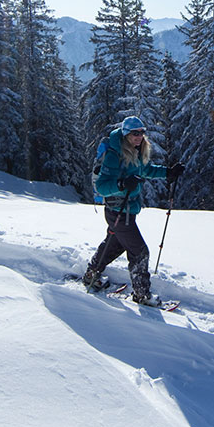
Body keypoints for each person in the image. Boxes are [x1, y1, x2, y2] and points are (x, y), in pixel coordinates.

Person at [82, 116, 184, 305]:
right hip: (118, 210)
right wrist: (122, 183)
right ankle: (142, 294)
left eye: (142, 132)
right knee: (140, 251)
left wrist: (168, 172)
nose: (139, 136)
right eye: (134, 133)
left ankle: (91, 275)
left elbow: (147, 170)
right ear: (125, 134)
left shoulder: (137, 150)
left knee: (115, 243)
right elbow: (103, 187)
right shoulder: (114, 154)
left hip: (126, 209)